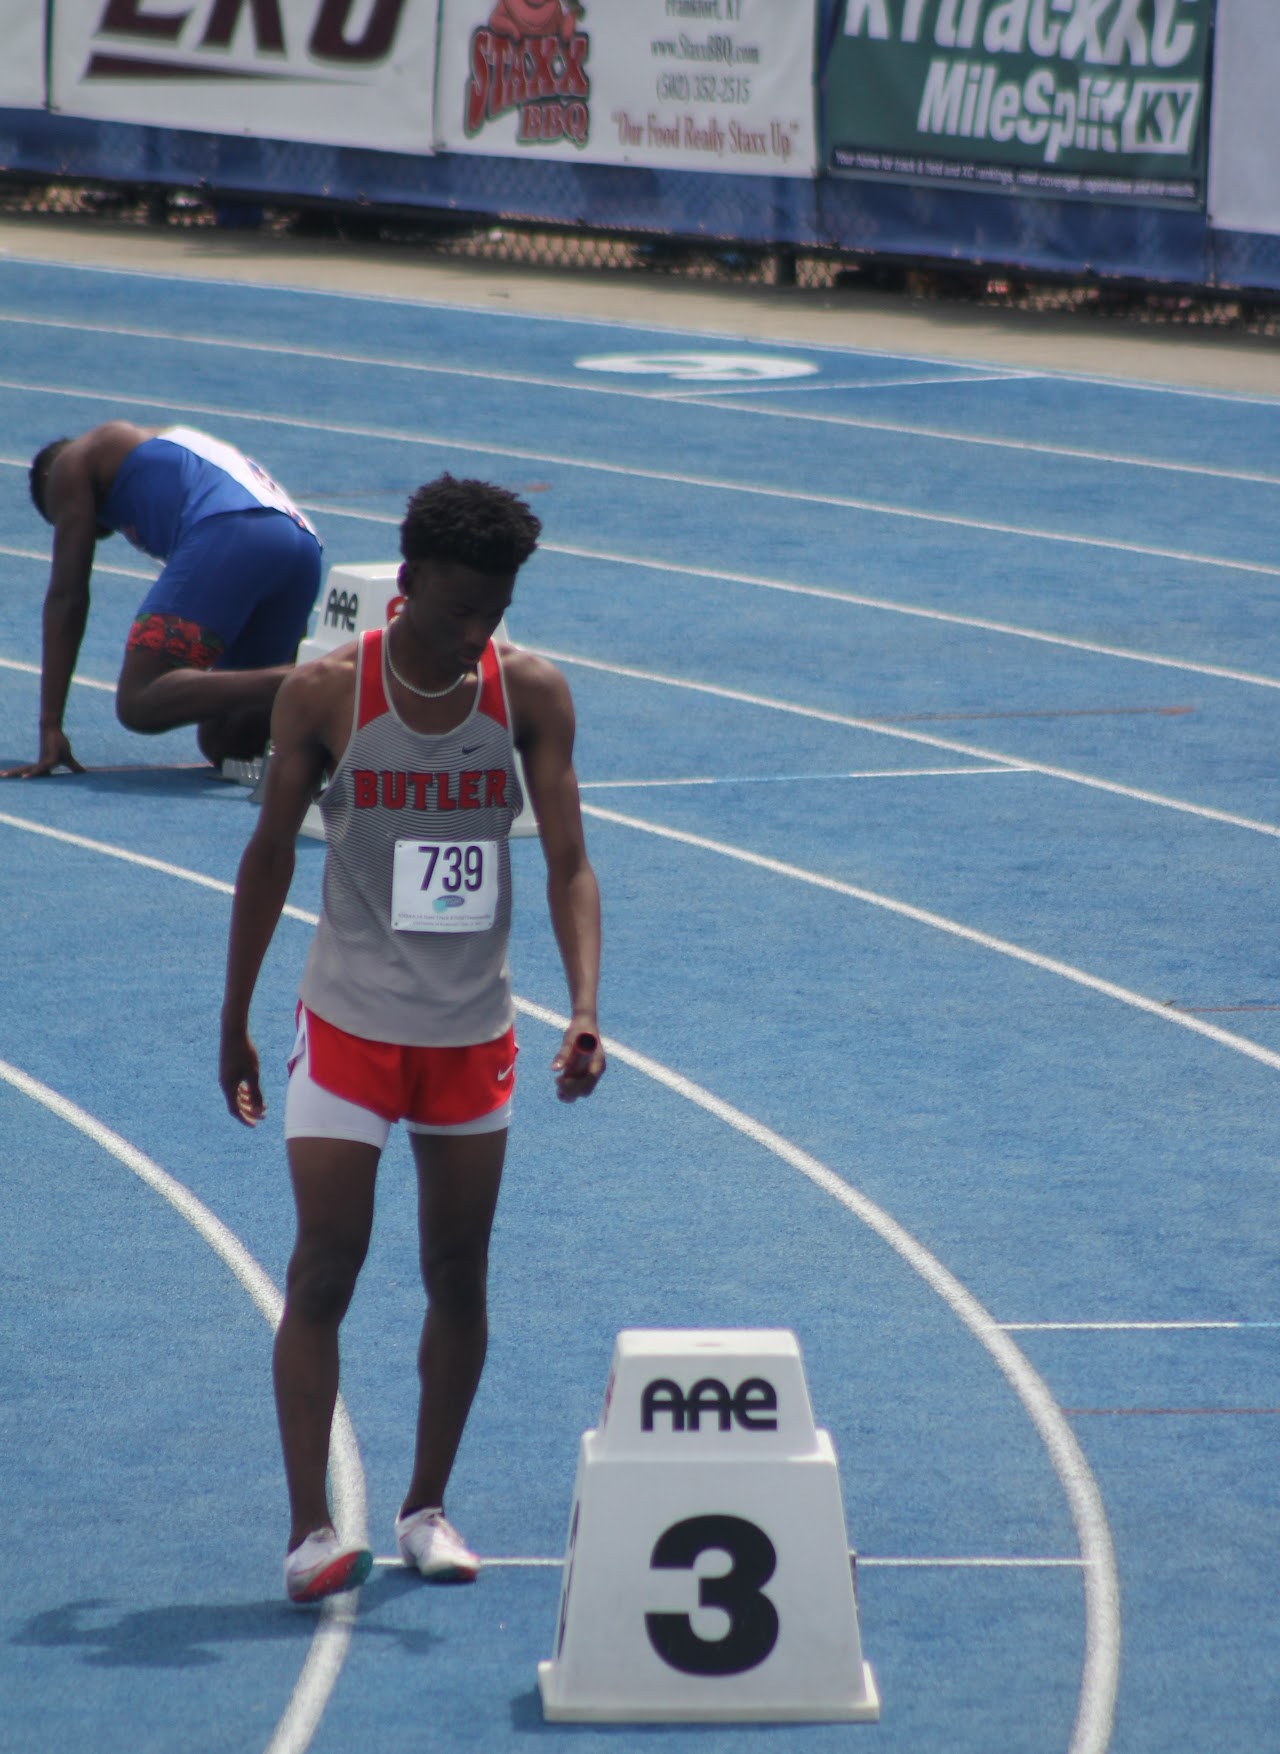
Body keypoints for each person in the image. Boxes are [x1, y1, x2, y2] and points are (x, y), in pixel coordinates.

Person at [218, 472, 605, 1605]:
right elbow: (269, 856)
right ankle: (308, 1529)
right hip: (346, 1020)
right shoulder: (325, 693)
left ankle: (426, 1504)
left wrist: (583, 1007)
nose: (478, 627)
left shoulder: (528, 692)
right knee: (324, 1265)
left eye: (498, 608)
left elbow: (568, 862)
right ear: (410, 576)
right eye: (459, 606)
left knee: (457, 1270)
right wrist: (236, 1014)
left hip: (470, 1032)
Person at [7, 420, 323, 777]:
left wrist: (50, 725)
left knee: (140, 698)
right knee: (226, 740)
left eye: (61, 516)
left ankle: (315, 677)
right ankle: (323, 692)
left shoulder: (72, 461)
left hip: (234, 530)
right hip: (302, 547)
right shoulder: (168, 445)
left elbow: (68, 595)